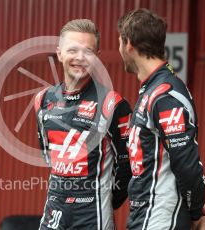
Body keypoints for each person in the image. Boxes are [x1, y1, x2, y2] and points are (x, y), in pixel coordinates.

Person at [117, 8, 205, 230]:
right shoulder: (152, 91)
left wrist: (197, 211)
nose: (120, 50)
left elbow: (186, 163)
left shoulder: (166, 94)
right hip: (144, 218)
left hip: (161, 221)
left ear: (129, 43)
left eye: (120, 43)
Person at [34, 19, 132, 230]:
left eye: (88, 52)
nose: (80, 58)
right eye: (73, 50)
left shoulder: (112, 104)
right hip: (53, 213)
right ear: (59, 53)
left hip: (93, 217)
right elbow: (47, 154)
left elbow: (128, 165)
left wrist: (106, 199)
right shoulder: (42, 100)